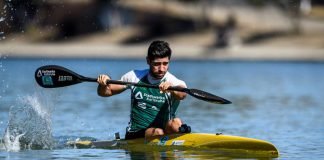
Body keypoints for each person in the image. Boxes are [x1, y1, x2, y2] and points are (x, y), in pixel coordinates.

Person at [97, 40, 188, 139]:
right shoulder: (134, 77)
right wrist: (103, 84)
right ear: (148, 61)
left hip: (163, 131)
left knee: (176, 123)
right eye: (157, 64)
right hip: (136, 133)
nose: (162, 69)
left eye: (165, 64)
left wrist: (172, 89)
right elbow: (106, 92)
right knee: (158, 132)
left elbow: (182, 94)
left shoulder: (173, 81)